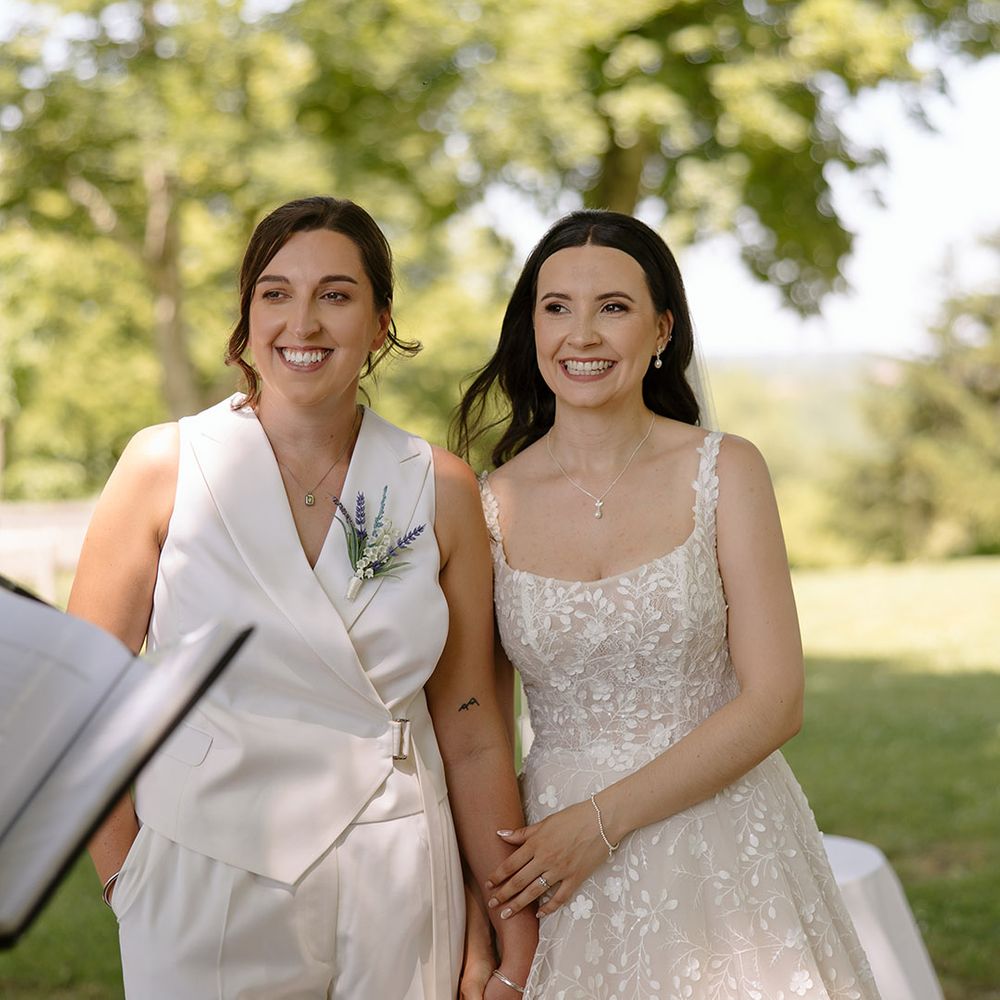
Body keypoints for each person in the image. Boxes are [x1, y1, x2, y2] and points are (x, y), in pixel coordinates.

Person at [70, 196, 536, 999]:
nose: (303, 322)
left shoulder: (438, 487)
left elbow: (471, 731)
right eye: (276, 293)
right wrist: (129, 876)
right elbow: (83, 697)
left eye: (336, 294)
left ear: (381, 321)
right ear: (248, 318)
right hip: (206, 866)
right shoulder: (167, 466)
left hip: (396, 867)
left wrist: (509, 918)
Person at [453, 210, 880, 999]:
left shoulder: (727, 472)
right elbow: (477, 730)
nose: (581, 334)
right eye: (557, 308)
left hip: (729, 844)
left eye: (612, 307)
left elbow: (776, 701)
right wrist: (497, 911)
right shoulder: (486, 506)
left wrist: (601, 823)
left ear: (661, 330)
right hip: (558, 871)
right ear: (531, 330)